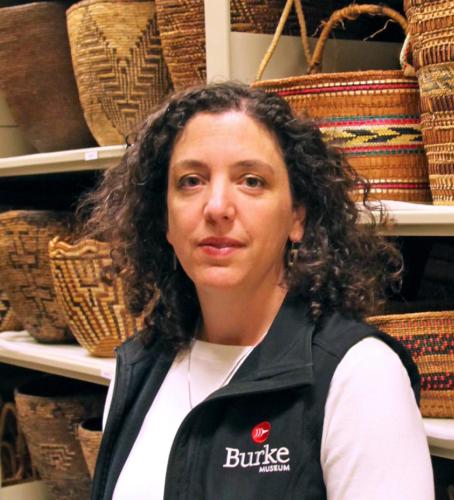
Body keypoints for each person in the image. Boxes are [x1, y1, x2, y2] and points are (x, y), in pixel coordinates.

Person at [83, 82, 434, 499]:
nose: (216, 207)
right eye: (191, 181)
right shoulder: (140, 368)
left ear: (297, 218)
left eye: (251, 181)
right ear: (165, 219)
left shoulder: (359, 376)